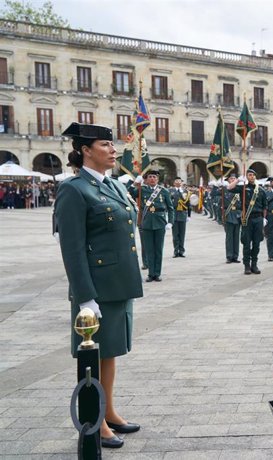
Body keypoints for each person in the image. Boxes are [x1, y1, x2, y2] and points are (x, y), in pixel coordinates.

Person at [55, 122, 143, 449]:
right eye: (106, 144)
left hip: (118, 284)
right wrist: (84, 297)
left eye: (112, 144)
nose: (113, 150)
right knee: (93, 356)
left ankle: (110, 412)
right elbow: (73, 249)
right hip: (97, 289)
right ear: (85, 150)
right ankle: (95, 421)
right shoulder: (74, 189)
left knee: (111, 353)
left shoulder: (114, 186)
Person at [130, 170, 174, 282]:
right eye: (150, 177)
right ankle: (150, 274)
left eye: (154, 177)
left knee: (158, 249)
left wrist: (170, 222)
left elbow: (170, 208)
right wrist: (134, 183)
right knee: (149, 249)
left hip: (160, 222)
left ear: (158, 179)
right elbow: (128, 194)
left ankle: (157, 274)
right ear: (146, 179)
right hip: (147, 222)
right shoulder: (141, 190)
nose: (152, 179)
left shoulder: (163, 191)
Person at [225, 169, 268, 274]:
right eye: (249, 175)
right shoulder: (243, 188)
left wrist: (264, 219)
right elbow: (229, 188)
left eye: (253, 175)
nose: (251, 176)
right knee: (247, 243)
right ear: (247, 177)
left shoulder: (261, 190)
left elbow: (265, 207)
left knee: (257, 243)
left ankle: (254, 264)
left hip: (258, 219)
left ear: (255, 177)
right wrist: (238, 179)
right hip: (247, 219)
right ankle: (247, 266)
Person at [170, 177, 191, 258]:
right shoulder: (170, 191)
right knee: (175, 235)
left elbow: (188, 204)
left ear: (182, 183)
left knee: (182, 234)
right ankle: (176, 251)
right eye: (176, 181)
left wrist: (189, 215)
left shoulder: (186, 192)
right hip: (174, 214)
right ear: (174, 183)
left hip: (183, 214)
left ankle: (181, 251)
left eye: (180, 181)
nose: (178, 182)